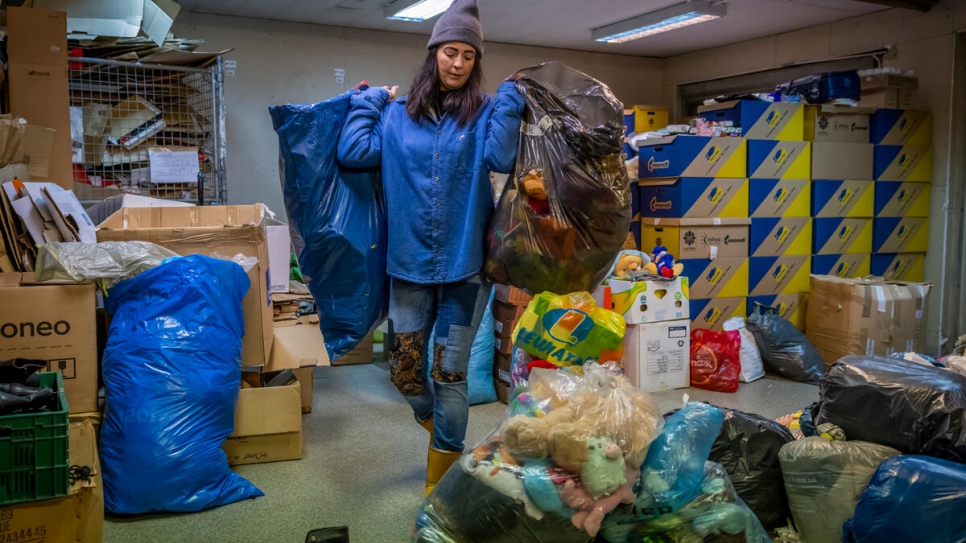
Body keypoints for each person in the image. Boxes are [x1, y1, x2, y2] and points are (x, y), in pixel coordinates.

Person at [337, 0, 524, 495]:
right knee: (404, 371)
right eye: (449, 51)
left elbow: (502, 155)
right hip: (410, 265)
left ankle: (441, 483)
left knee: (449, 374)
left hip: (466, 269)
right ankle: (438, 428)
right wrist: (369, 101)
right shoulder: (397, 116)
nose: (458, 63)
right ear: (433, 53)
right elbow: (354, 151)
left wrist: (507, 101)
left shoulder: (483, 113)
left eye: (468, 55)